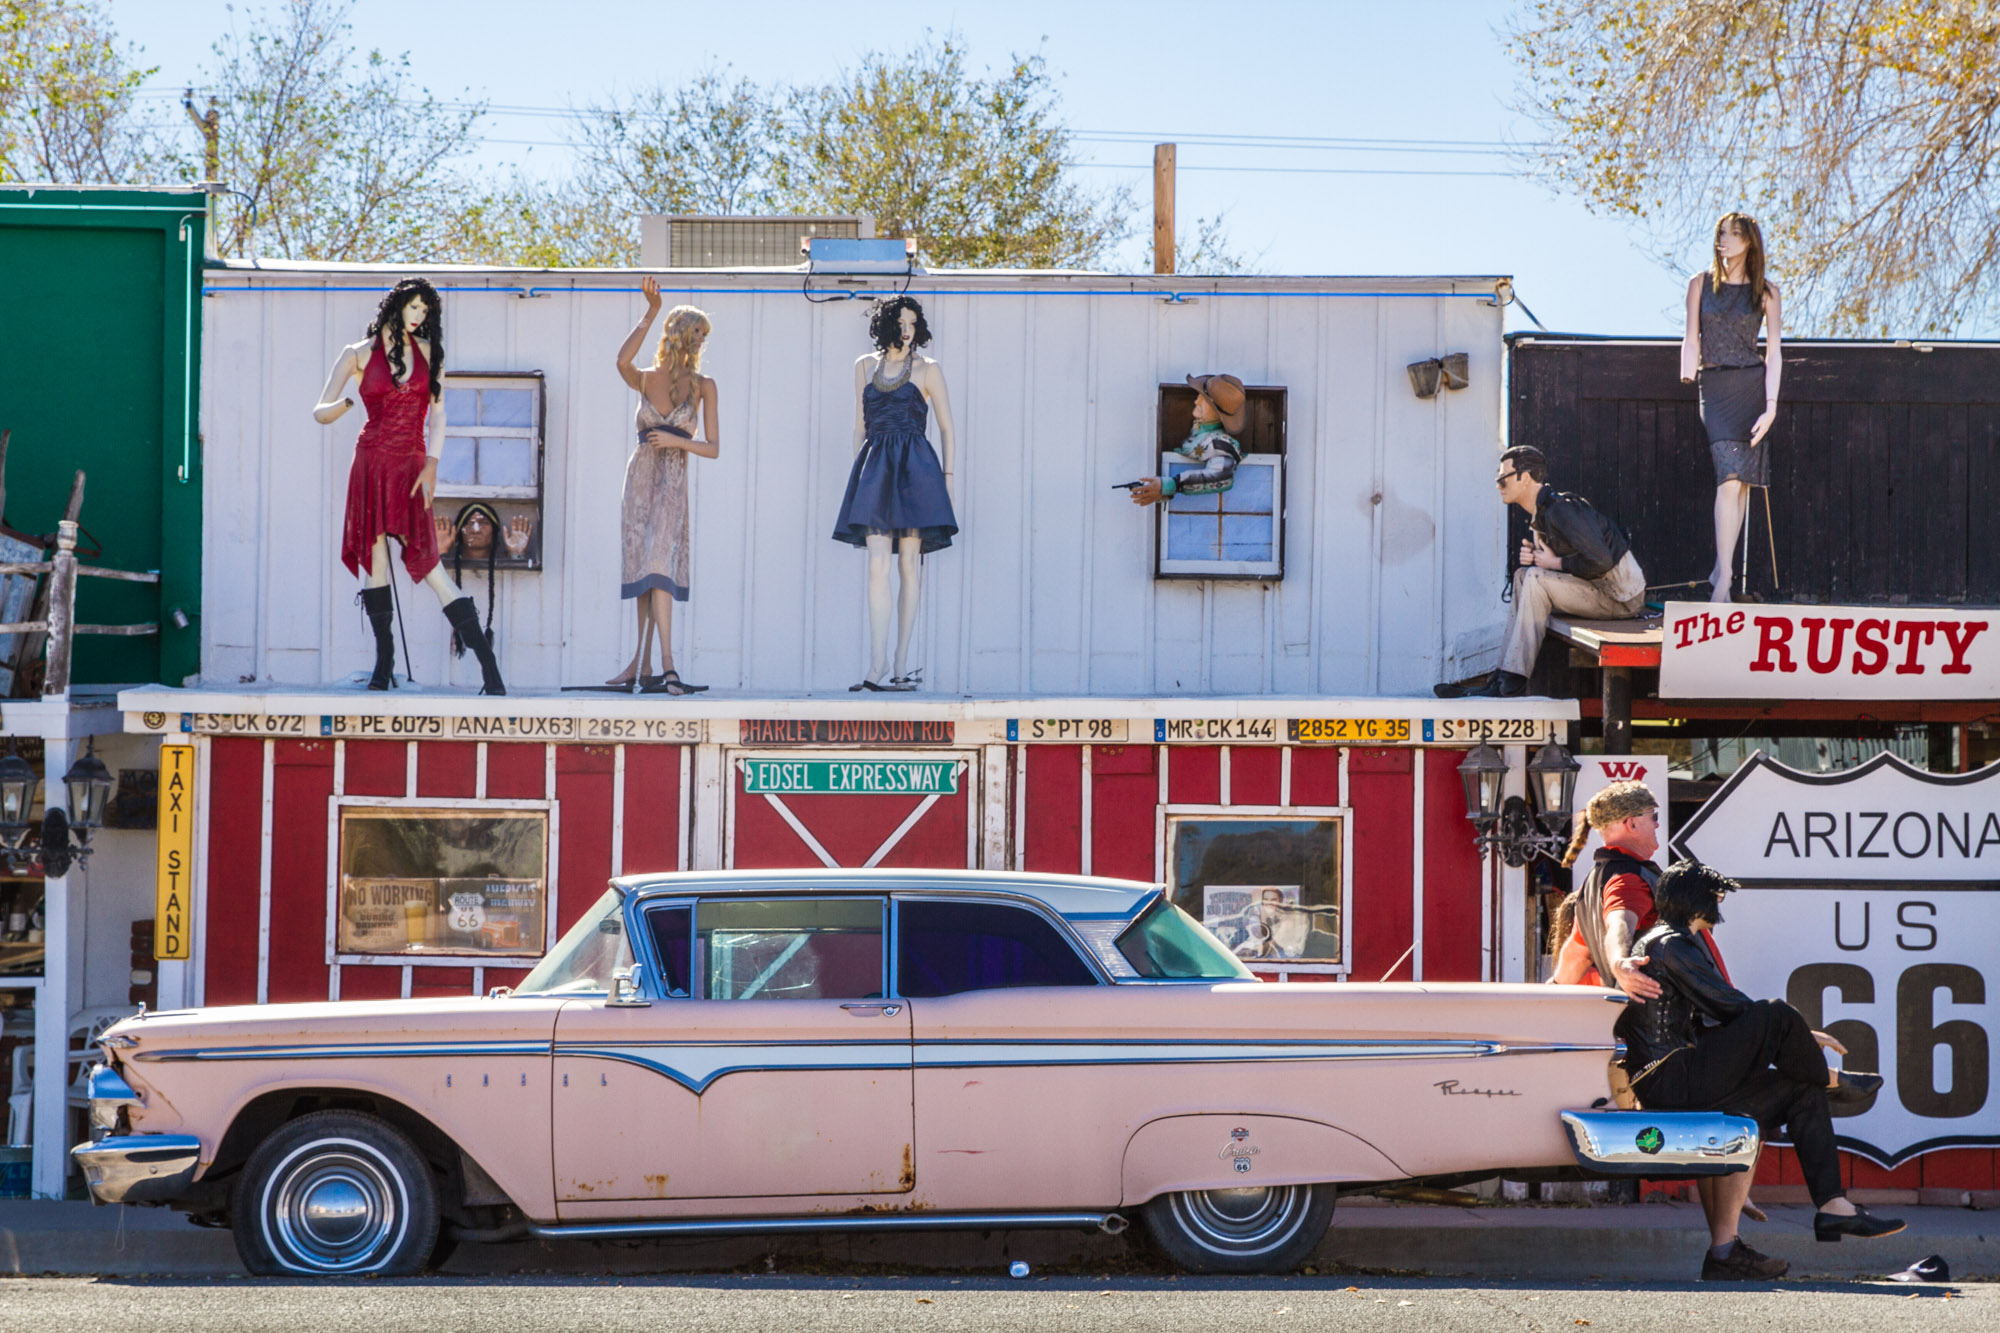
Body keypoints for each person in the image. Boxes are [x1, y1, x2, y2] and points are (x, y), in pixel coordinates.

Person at [1624, 860, 1902, 1278]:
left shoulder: (1677, 943)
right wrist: (1790, 1030)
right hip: (1669, 1076)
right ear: (1696, 899)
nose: (1719, 902)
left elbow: (1719, 1015)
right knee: (1776, 1012)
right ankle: (1831, 1079)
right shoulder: (1670, 943)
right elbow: (1729, 1007)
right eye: (1715, 894)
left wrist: (1795, 1035)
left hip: (1684, 1074)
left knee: (1801, 1091)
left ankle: (1832, 1206)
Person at [314, 277, 505, 694]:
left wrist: (432, 464)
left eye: (425, 310)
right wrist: (344, 405)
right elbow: (319, 410)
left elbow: (439, 414)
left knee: (430, 564)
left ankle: (489, 667)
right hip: (370, 463)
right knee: (375, 560)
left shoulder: (430, 353)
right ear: (396, 305)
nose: (419, 316)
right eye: (414, 307)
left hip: (412, 465)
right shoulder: (357, 353)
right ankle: (383, 664)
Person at [1435, 446, 1646, 698]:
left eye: (1503, 479)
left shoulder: (1561, 509)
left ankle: (1513, 680)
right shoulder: (1543, 512)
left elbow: (1600, 560)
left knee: (1535, 579)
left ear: (1524, 477)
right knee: (1522, 576)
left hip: (1620, 597)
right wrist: (1538, 558)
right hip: (1598, 589)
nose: (1498, 486)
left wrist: (1553, 564)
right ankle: (1500, 675)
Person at [834, 296, 958, 692]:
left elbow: (947, 428)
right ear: (885, 325)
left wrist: (948, 479)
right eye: (901, 322)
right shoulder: (864, 366)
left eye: (913, 323)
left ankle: (901, 662)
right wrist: (860, 472)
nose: (907, 330)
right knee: (877, 564)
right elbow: (859, 424)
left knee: (908, 563)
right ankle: (877, 662)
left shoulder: (928, 369)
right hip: (876, 468)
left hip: (916, 470)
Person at [610, 276, 719, 694]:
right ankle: (641, 665)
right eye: (697, 333)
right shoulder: (645, 378)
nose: (701, 342)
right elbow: (621, 360)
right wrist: (651, 312)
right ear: (679, 334)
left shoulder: (704, 385)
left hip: (672, 481)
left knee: (659, 567)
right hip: (640, 479)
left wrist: (677, 441)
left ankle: (668, 664)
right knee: (643, 570)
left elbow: (713, 448)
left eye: (704, 336)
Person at [1681, 213, 1783, 603]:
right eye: (1721, 232)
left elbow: (1774, 354)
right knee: (1727, 477)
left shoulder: (1767, 292)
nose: (1725, 240)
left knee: (1739, 483)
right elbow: (1691, 336)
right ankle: (1723, 577)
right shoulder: (1699, 284)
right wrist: (1686, 369)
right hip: (1714, 386)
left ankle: (1723, 571)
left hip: (1751, 388)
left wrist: (1771, 407)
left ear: (1749, 242)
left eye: (1734, 234)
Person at [1127, 374, 1248, 507]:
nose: (1196, 401)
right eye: (1199, 396)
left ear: (1218, 413)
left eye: (1204, 400)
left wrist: (1171, 485)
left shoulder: (1220, 444)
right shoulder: (1200, 433)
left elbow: (1221, 476)